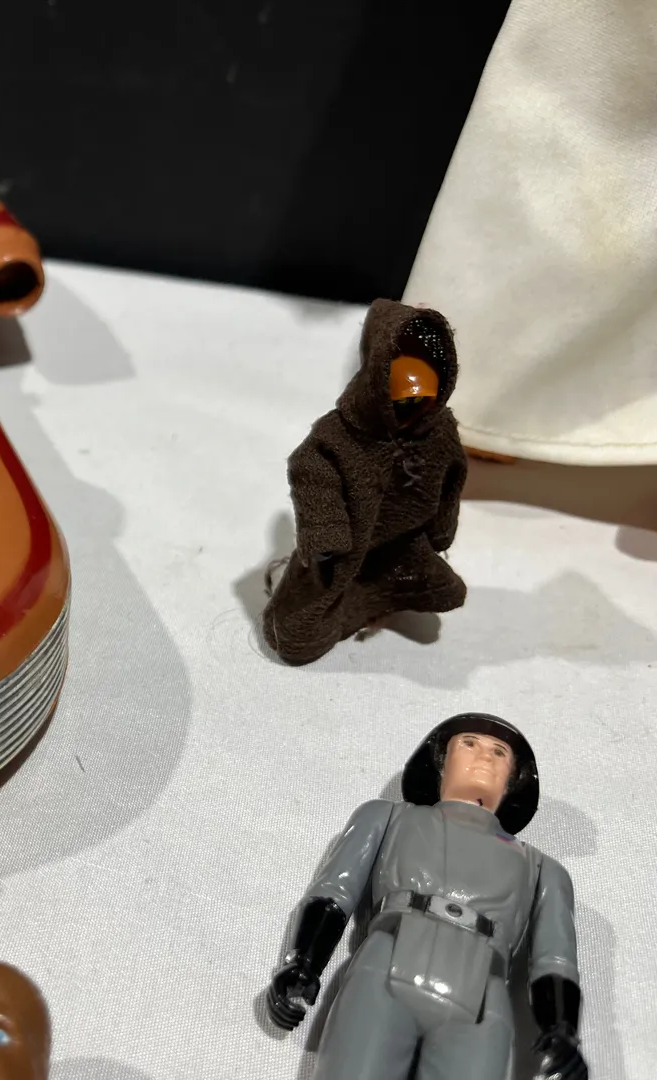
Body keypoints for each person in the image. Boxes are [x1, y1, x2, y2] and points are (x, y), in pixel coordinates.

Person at [266, 713, 587, 1080]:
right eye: (469, 744)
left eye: (499, 752)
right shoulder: (388, 817)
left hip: (483, 995)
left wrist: (562, 1030)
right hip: (386, 966)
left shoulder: (542, 869)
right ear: (440, 761)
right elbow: (335, 891)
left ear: (513, 780)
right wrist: (303, 960)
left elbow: (555, 958)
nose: (485, 756)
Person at [263, 300, 468, 664]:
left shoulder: (438, 432)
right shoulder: (338, 437)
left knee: (436, 586)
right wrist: (326, 534)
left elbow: (453, 478)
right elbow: (311, 472)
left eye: (424, 401)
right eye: (403, 402)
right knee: (300, 632)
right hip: (348, 548)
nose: (413, 410)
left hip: (406, 543)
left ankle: (388, 603)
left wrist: (442, 528)